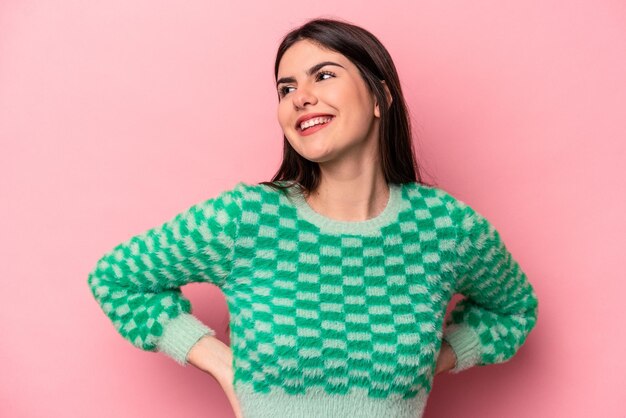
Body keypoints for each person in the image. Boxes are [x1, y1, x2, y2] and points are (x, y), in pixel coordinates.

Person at [87, 17, 539, 418]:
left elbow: (515, 310)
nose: (300, 98)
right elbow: (116, 277)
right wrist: (219, 363)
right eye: (286, 88)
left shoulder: (444, 228)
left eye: (323, 76)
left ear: (380, 95)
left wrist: (435, 360)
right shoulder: (248, 218)